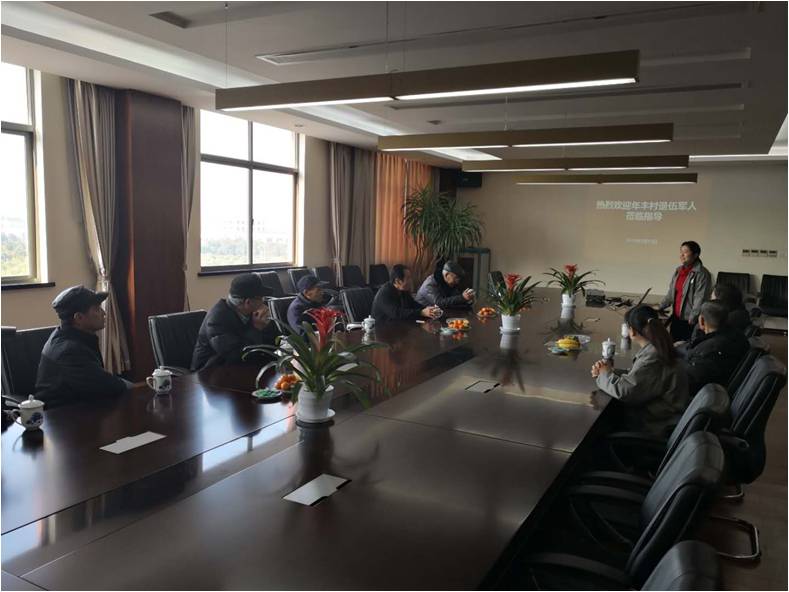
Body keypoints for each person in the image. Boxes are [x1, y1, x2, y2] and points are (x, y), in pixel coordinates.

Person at [591, 304, 689, 436]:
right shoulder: (658, 347)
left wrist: (605, 374)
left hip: (653, 425)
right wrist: (610, 372)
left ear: (631, 331)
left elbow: (626, 391)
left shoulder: (653, 357)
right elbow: (640, 376)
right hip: (663, 417)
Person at [35, 285, 133, 408]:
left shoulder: (68, 335)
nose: (104, 313)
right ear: (79, 318)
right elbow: (109, 386)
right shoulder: (69, 351)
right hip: (62, 415)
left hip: (80, 406)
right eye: (97, 309)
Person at [191, 273, 277, 370]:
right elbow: (235, 355)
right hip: (208, 371)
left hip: (240, 368)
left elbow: (273, 345)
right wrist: (256, 329)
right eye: (261, 298)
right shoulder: (217, 319)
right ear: (248, 302)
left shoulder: (253, 313)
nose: (263, 302)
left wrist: (266, 326)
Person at [680, 300, 749, 396]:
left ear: (701, 320)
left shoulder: (708, 352)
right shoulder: (738, 336)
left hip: (701, 395)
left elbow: (686, 384)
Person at [657, 240, 712, 341]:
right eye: (681, 252)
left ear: (695, 255)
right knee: (674, 345)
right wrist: (659, 307)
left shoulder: (702, 273)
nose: (682, 255)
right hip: (676, 318)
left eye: (685, 252)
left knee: (686, 347)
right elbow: (671, 293)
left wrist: (693, 318)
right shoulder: (678, 270)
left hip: (690, 321)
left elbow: (700, 298)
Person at [372, 264, 442, 323]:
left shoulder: (403, 289)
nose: (411, 281)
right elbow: (397, 313)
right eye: (408, 278)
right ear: (398, 281)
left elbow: (412, 304)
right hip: (382, 329)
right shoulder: (384, 293)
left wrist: (428, 310)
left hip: (397, 326)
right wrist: (421, 312)